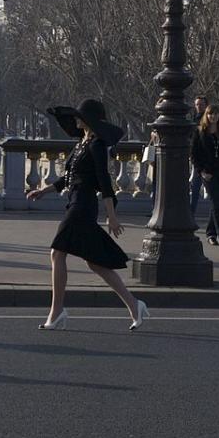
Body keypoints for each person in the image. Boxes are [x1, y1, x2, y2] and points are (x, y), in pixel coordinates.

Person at [27, 99, 148, 331]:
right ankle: (135, 305)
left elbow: (104, 182)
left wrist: (112, 216)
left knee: (57, 252)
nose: (75, 119)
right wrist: (44, 190)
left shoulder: (97, 146)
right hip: (75, 202)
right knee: (96, 263)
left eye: (79, 116)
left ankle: (57, 311)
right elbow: (69, 177)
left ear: (88, 120)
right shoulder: (83, 143)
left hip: (83, 206)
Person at [190, 105, 219, 247]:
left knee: (216, 205)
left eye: (216, 114)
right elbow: (194, 155)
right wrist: (201, 171)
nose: (213, 117)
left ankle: (211, 233)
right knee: (218, 204)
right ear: (206, 115)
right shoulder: (200, 131)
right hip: (208, 173)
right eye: (210, 114)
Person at [189, 95, 209, 214]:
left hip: (205, 157)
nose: (199, 107)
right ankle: (191, 211)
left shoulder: (208, 118)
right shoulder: (194, 118)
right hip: (196, 156)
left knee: (207, 186)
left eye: (201, 104)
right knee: (195, 186)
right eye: (197, 104)